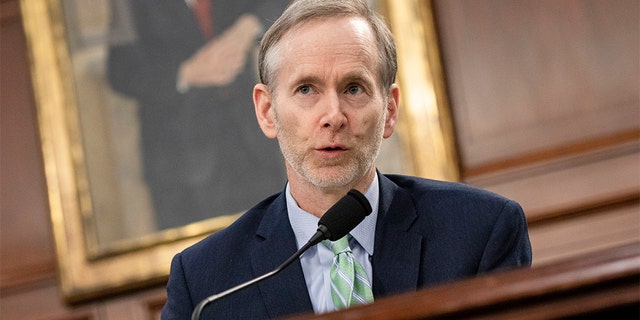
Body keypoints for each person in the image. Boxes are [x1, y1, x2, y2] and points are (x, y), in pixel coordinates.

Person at [161, 0, 532, 318]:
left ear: (389, 110)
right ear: (267, 111)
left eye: (353, 88)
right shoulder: (206, 283)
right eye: (307, 89)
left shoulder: (480, 232)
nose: (333, 115)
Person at [107, 0, 289, 230]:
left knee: (275, 239)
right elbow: (120, 71)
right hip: (180, 159)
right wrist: (187, 73)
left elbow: (282, 5)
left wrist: (246, 28)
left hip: (251, 143)